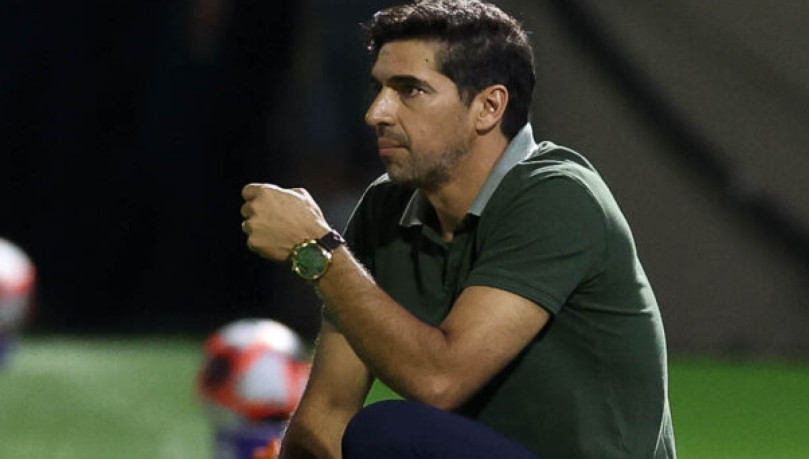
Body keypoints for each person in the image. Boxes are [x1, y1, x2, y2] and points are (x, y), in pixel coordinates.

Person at [240, 0, 677, 457]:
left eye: (409, 90)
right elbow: (323, 416)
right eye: (380, 88)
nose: (376, 113)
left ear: (489, 107)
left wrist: (317, 249)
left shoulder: (558, 196)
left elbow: (439, 380)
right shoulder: (385, 207)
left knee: (389, 433)